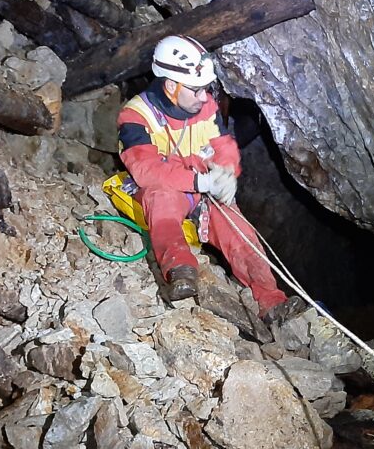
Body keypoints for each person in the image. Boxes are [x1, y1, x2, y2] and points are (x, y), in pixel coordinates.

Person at [116, 34, 293, 316]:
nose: (203, 96)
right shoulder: (136, 116)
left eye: (205, 88)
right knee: (161, 201)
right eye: (196, 89)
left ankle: (271, 302)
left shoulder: (204, 106)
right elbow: (146, 170)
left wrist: (226, 174)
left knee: (240, 232)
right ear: (171, 86)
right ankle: (181, 273)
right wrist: (199, 181)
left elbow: (223, 145)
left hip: (203, 188)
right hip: (167, 188)